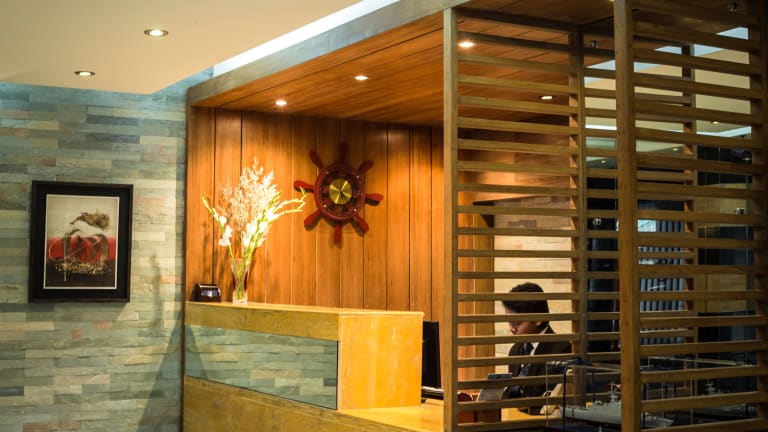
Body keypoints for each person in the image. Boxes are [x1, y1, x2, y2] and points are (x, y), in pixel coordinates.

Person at [501, 282, 571, 402]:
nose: (511, 328)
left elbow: (551, 399)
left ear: (538, 318)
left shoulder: (561, 349)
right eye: (508, 321)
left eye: (517, 323)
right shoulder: (515, 350)